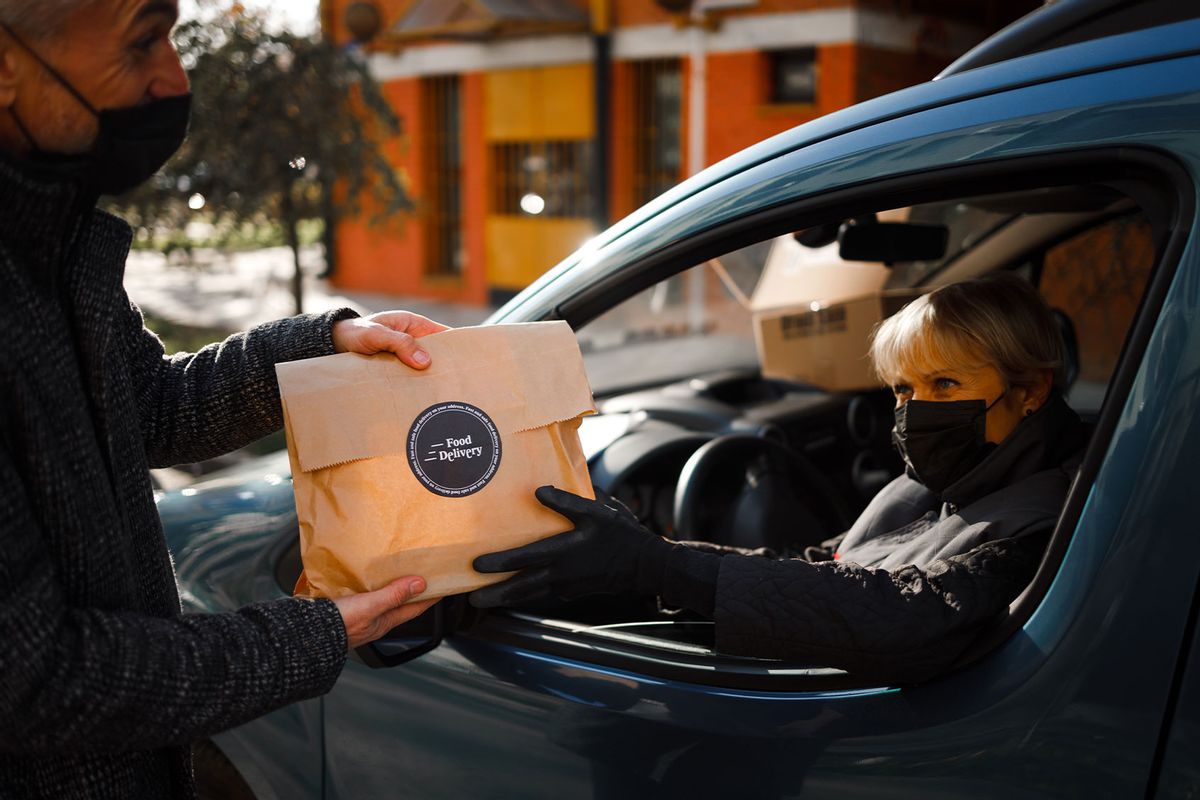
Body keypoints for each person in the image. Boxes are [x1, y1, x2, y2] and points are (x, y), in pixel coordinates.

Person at [0, 2, 443, 797]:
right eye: (142, 40)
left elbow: (145, 404)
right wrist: (315, 635)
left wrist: (320, 346)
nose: (174, 76)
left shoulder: (50, 236)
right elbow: (35, 676)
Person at [471, 273, 1088, 683]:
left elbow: (912, 618)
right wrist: (650, 555)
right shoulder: (930, 490)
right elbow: (822, 569)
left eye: (946, 385)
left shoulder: (1052, 517)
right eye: (903, 388)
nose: (914, 408)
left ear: (1029, 391)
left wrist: (657, 566)